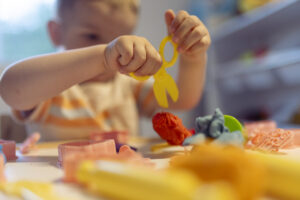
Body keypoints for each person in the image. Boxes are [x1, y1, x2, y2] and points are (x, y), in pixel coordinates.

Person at [0, 0, 211, 141]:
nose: (115, 50)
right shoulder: (49, 88)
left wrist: (192, 58)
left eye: (121, 38)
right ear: (56, 33)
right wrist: (102, 56)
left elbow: (183, 99)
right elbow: (11, 89)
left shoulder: (129, 85)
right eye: (91, 36)